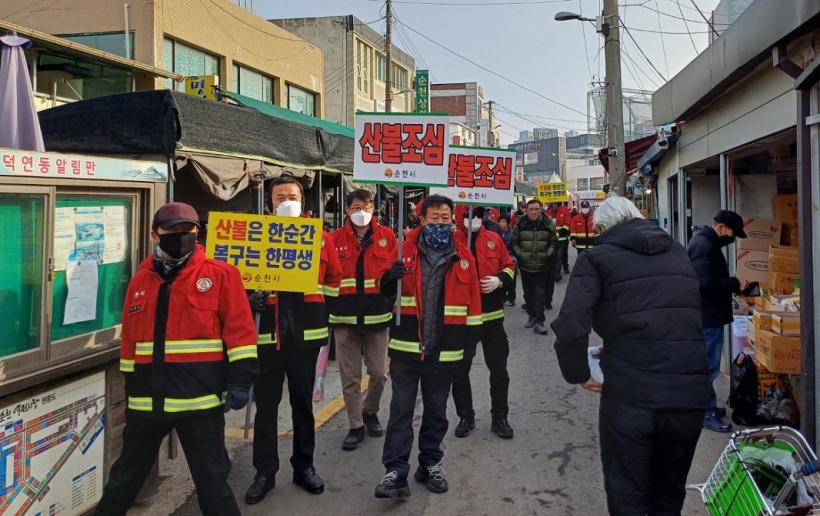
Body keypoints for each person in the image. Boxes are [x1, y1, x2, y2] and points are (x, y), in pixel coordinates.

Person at [96, 203, 258, 516]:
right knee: (123, 480)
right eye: (172, 229)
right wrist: (131, 390)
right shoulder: (140, 281)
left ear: (197, 232)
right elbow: (130, 343)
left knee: (212, 485)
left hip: (199, 404)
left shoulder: (221, 275)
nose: (181, 235)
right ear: (154, 235)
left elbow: (241, 334)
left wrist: (241, 381)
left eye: (188, 229)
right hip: (147, 404)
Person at [551, 197, 709, 516]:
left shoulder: (596, 259)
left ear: (601, 228)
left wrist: (579, 373)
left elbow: (570, 327)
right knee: (669, 492)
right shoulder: (678, 252)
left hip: (632, 396)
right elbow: (679, 314)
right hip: (688, 394)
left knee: (628, 494)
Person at [374, 195, 482, 499]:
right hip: (406, 349)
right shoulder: (403, 251)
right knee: (400, 411)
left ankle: (431, 463)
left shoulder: (463, 256)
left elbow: (473, 305)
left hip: (444, 352)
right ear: (421, 220)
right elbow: (382, 289)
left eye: (445, 218)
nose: (440, 222)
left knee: (436, 411)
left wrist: (468, 348)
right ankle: (395, 471)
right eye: (434, 217)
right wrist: (389, 277)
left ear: (453, 220)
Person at [245, 177, 342, 504]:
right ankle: (264, 472)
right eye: (280, 197)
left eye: (292, 196)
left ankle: (304, 467)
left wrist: (322, 309)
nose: (287, 201)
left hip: (305, 338)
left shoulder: (320, 238)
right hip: (267, 337)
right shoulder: (255, 235)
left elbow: (334, 280)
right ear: (269, 203)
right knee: (265, 409)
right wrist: (249, 298)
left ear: (303, 201)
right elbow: (236, 278)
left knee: (302, 406)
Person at [330, 188, 397, 451]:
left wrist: (393, 277)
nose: (362, 212)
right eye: (356, 207)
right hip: (344, 317)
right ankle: (356, 425)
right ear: (347, 209)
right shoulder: (334, 239)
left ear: (374, 209)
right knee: (350, 377)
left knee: (379, 374)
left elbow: (390, 280)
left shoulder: (387, 237)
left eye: (367, 207)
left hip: (377, 316)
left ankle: (370, 411)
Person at [450, 205, 516, 440]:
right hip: (463, 321)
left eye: (478, 215)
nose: (474, 219)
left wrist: (500, 280)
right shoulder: (451, 241)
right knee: (459, 371)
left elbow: (509, 266)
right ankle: (465, 416)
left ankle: (500, 417)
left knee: (499, 370)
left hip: (492, 319)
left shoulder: (494, 239)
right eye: (469, 215)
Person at [687, 209, 748, 433]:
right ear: (721, 227)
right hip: (707, 317)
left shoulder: (705, 243)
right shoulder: (705, 247)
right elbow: (705, 284)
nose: (732, 238)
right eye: (732, 232)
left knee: (708, 366)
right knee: (708, 368)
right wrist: (735, 283)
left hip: (709, 314)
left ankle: (708, 405)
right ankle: (706, 412)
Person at [511, 198, 557, 335]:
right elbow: (514, 242)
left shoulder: (548, 223)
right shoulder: (520, 223)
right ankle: (531, 316)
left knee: (540, 294)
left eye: (537, 209)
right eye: (531, 209)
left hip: (543, 266)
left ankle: (540, 321)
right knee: (528, 295)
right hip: (525, 266)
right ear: (527, 210)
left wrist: (547, 254)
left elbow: (553, 242)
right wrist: (520, 254)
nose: (534, 212)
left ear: (541, 209)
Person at [498, 215, 516, 307]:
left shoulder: (511, 234)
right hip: (500, 259)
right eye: (500, 222)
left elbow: (513, 247)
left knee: (511, 279)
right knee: (502, 278)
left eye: (504, 222)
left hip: (510, 258)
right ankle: (502, 297)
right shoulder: (496, 233)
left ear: (507, 223)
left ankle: (511, 298)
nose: (501, 224)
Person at [554, 202, 572, 275]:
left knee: (560, 254)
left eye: (554, 203)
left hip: (562, 238)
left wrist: (559, 233)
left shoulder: (564, 210)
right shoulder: (548, 211)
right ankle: (562, 268)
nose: (553, 204)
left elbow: (567, 224)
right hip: (552, 238)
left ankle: (557, 272)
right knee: (557, 254)